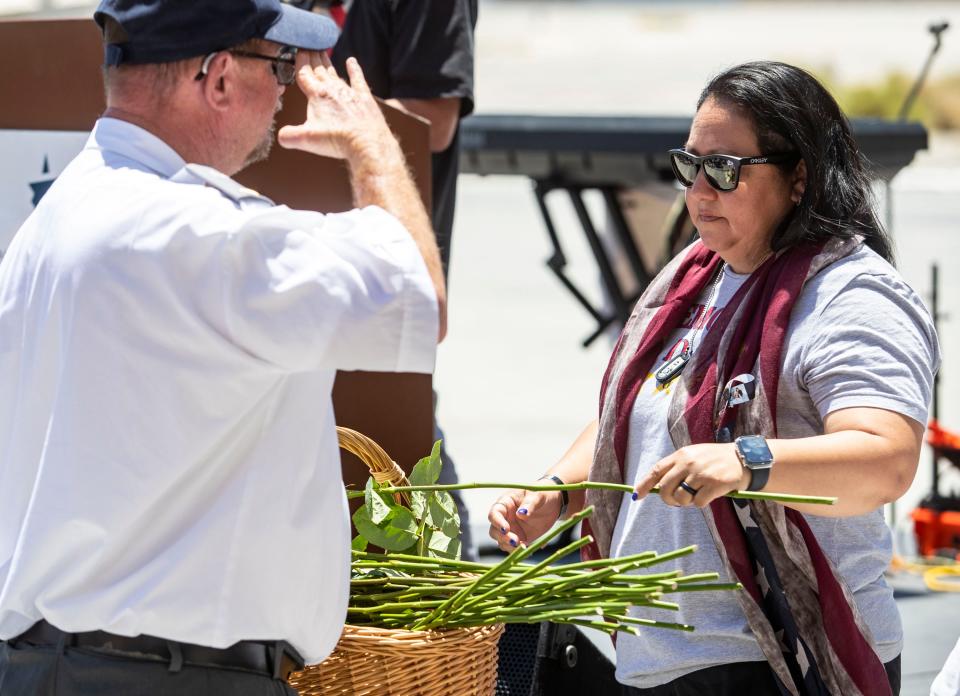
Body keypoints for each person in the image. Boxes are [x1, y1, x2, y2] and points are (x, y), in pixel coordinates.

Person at [0, 0, 445, 694]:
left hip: (55, 666)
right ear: (217, 79)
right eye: (281, 65)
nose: (289, 92)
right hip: (169, 676)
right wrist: (373, 146)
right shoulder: (199, 232)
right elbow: (418, 291)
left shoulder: (54, 223)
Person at [488, 61, 939, 696]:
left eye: (724, 171)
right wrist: (558, 493)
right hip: (661, 658)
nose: (698, 192)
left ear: (799, 177)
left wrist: (745, 462)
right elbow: (645, 403)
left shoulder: (851, 296)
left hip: (783, 662)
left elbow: (885, 462)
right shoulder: (695, 276)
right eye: (688, 165)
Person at [332, 0, 479, 558]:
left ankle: (446, 597)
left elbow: (432, 119)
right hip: (305, 250)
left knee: (402, 442)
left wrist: (320, 117)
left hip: (387, 260)